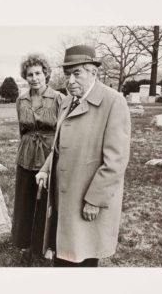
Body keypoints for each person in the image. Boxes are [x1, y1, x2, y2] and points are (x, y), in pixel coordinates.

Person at [35, 45, 131, 267]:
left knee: (83, 257)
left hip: (85, 197)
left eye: (77, 73)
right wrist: (45, 169)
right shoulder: (68, 101)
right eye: (68, 74)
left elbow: (116, 161)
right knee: (63, 254)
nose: (70, 81)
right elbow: (59, 146)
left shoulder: (113, 102)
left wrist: (95, 200)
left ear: (93, 73)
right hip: (63, 194)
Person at [12, 54, 63, 265]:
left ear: (46, 74)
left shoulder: (58, 98)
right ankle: (25, 244)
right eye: (30, 74)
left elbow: (62, 132)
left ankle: (47, 244)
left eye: (38, 73)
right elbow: (22, 130)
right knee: (25, 200)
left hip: (48, 154)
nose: (34, 78)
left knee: (47, 202)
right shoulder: (21, 100)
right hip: (26, 155)